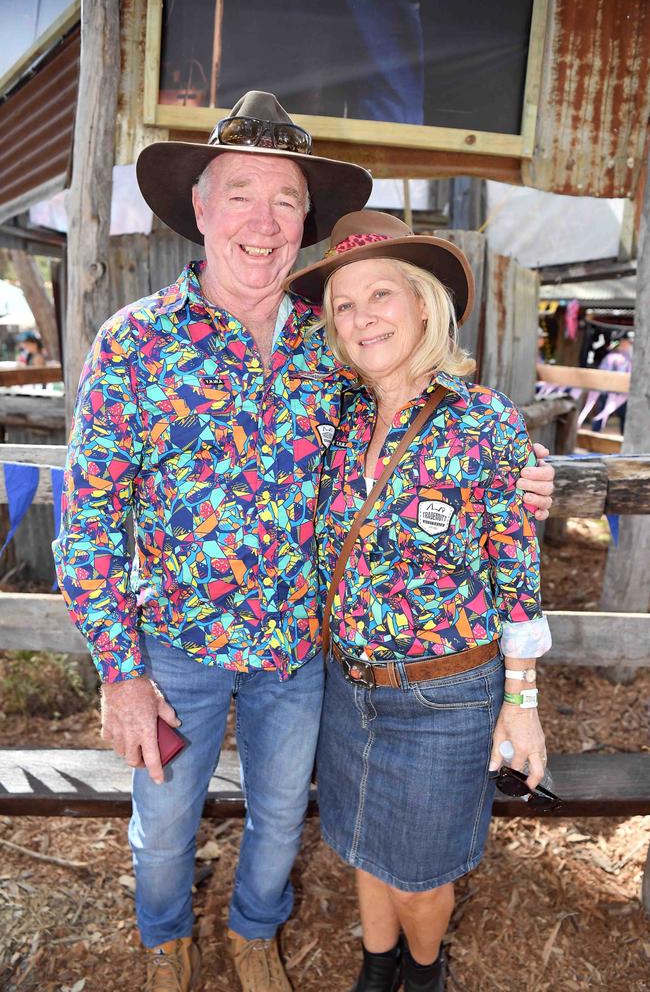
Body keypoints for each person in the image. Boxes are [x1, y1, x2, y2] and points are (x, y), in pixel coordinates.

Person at [53, 92, 554, 992]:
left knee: (282, 816)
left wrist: (521, 474)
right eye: (241, 192)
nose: (264, 219)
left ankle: (254, 933)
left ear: (305, 224)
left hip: (299, 647)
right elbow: (87, 522)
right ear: (199, 209)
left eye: (286, 200)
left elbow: (427, 426)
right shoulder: (134, 345)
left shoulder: (334, 346)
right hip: (175, 651)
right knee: (164, 821)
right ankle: (166, 941)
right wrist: (120, 670)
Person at [285, 211, 552, 992]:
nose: (362, 317)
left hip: (444, 699)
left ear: (425, 305)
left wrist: (522, 704)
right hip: (348, 687)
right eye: (343, 304)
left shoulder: (484, 425)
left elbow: (516, 579)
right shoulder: (336, 420)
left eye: (381, 294)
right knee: (363, 846)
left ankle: (426, 971)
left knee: (421, 873)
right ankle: (377, 965)